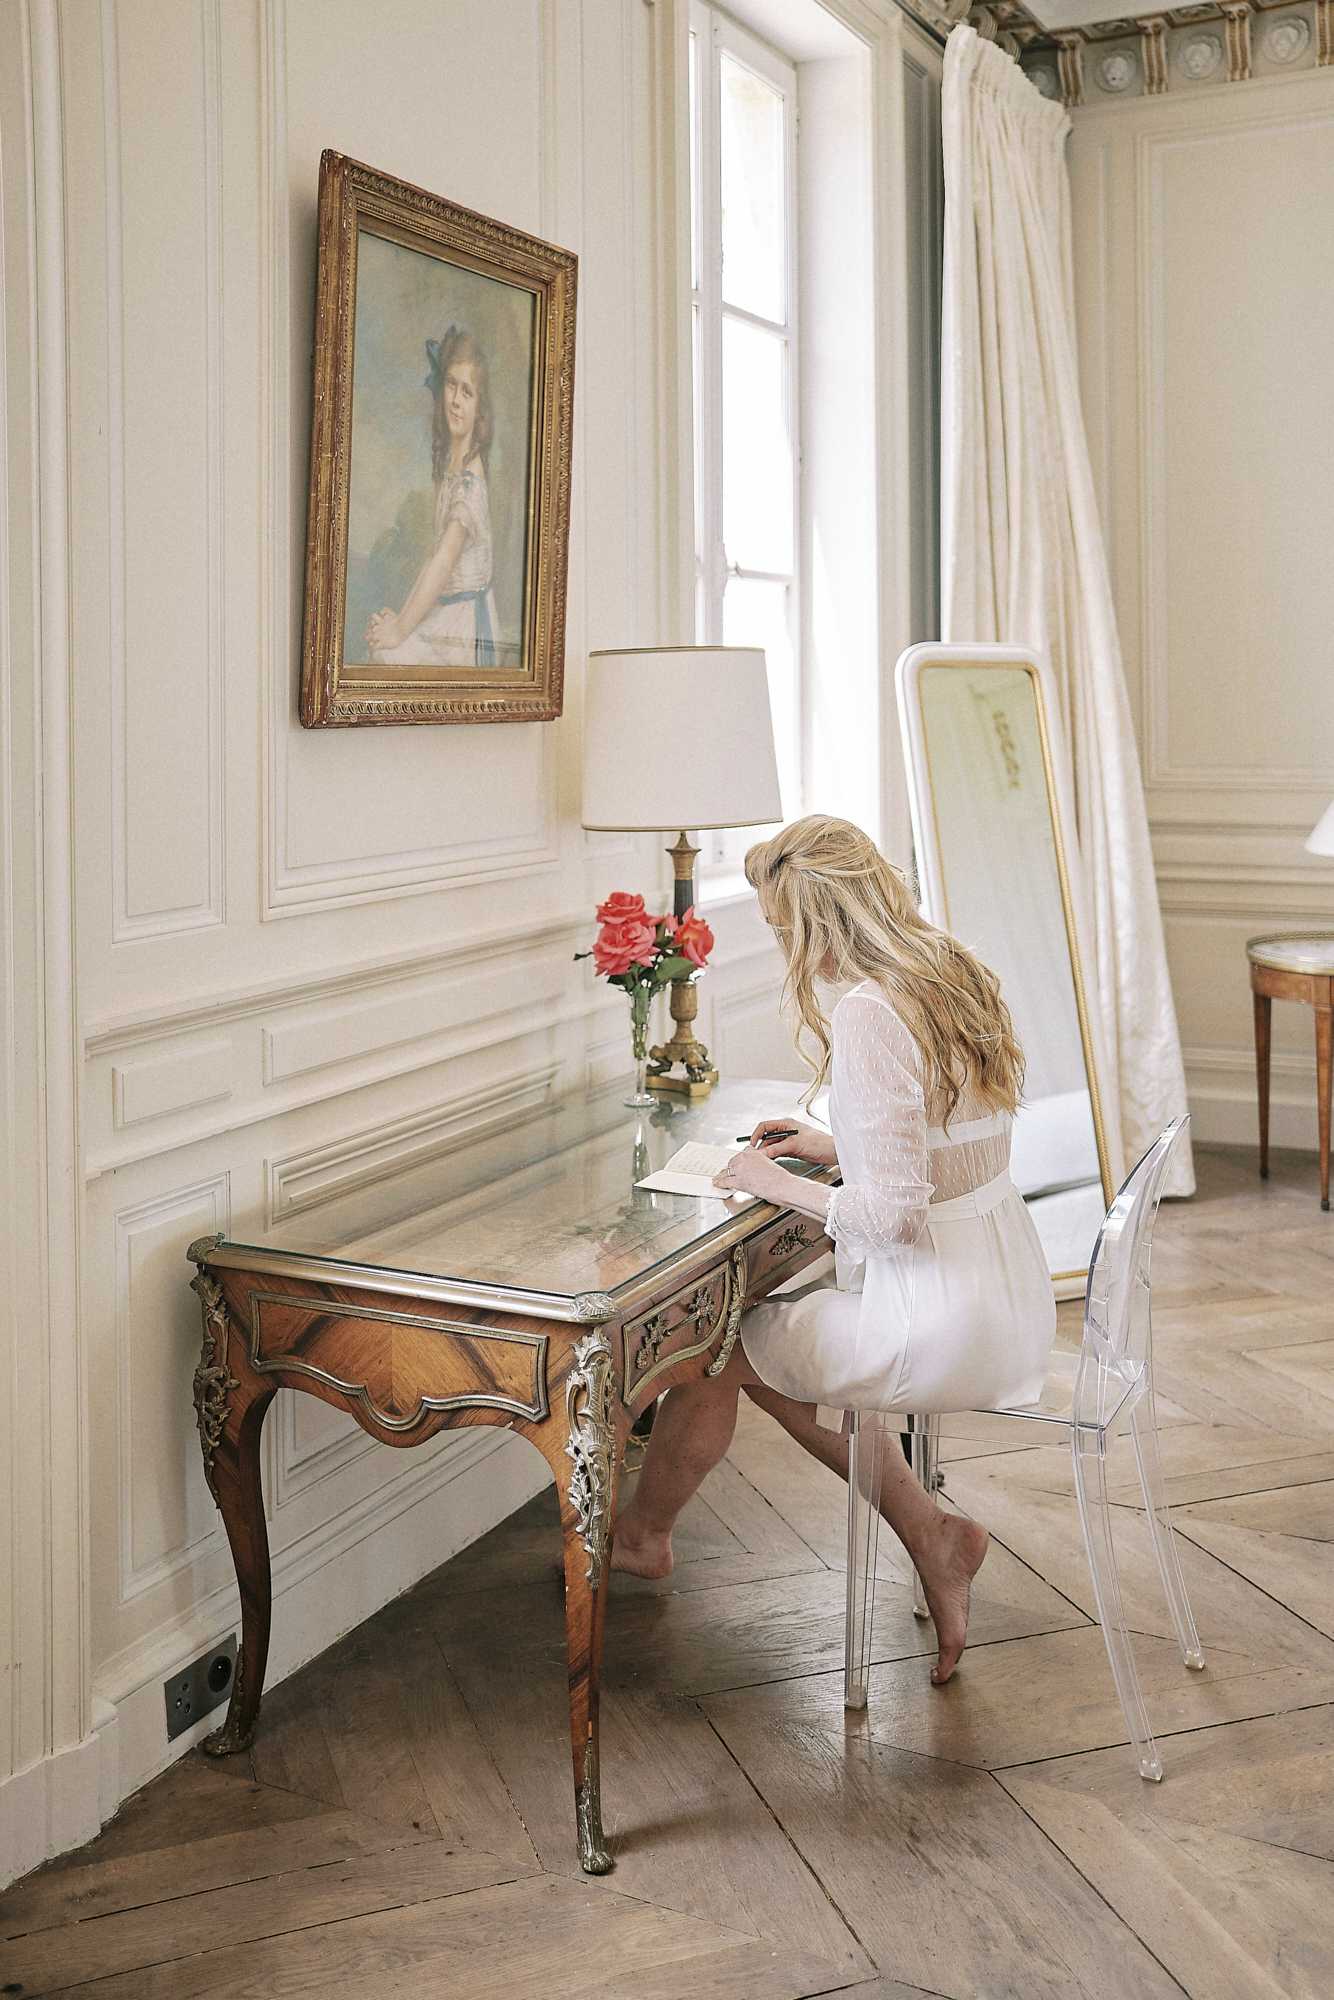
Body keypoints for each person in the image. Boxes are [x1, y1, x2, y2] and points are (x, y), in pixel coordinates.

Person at [612, 814, 1056, 1685]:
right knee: (754, 1348)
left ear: (816, 920)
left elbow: (889, 1221)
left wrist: (767, 1178)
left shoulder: (868, 1010)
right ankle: (923, 1531)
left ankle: (647, 1536)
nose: (787, 950)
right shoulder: (947, 966)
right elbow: (953, 1149)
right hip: (1002, 1293)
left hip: (936, 1318)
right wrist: (828, 1149)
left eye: (784, 929)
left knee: (710, 1349)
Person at [366, 326, 499, 668]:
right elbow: (432, 560)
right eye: (451, 384)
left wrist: (400, 630)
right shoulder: (450, 468)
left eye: (467, 392)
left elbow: (443, 562)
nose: (455, 400)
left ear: (479, 409)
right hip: (445, 611)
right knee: (382, 644)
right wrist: (401, 618)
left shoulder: (471, 482)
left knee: (387, 652)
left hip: (465, 627)